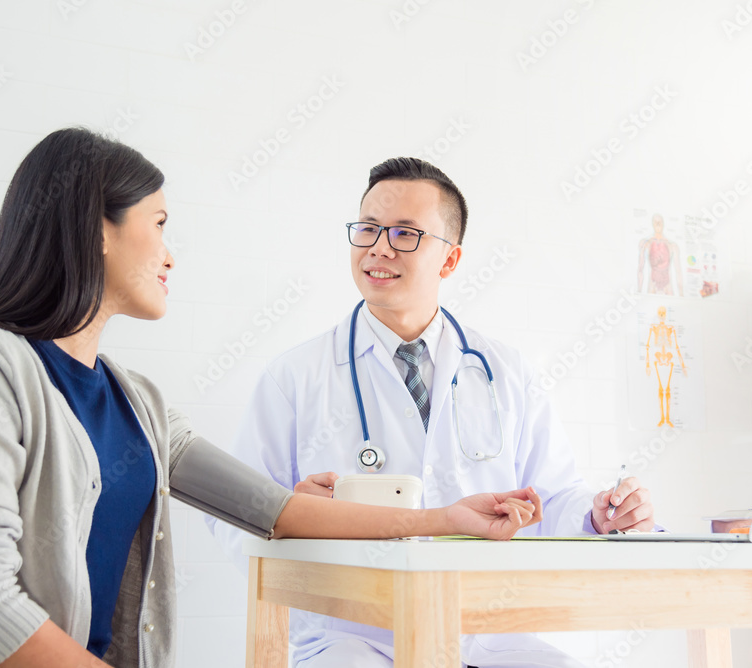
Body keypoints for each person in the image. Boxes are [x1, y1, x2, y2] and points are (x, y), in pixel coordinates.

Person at [0, 132, 546, 668]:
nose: (171, 253)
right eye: (159, 223)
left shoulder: (136, 400)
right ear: (96, 229)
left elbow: (273, 509)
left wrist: (445, 518)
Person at [207, 157, 657, 668]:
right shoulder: (295, 376)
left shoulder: (506, 373)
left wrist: (598, 514)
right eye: (369, 229)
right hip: (351, 640)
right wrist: (296, 514)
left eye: (404, 234)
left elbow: (548, 498)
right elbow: (236, 519)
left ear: (449, 260)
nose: (379, 247)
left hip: (488, 632)